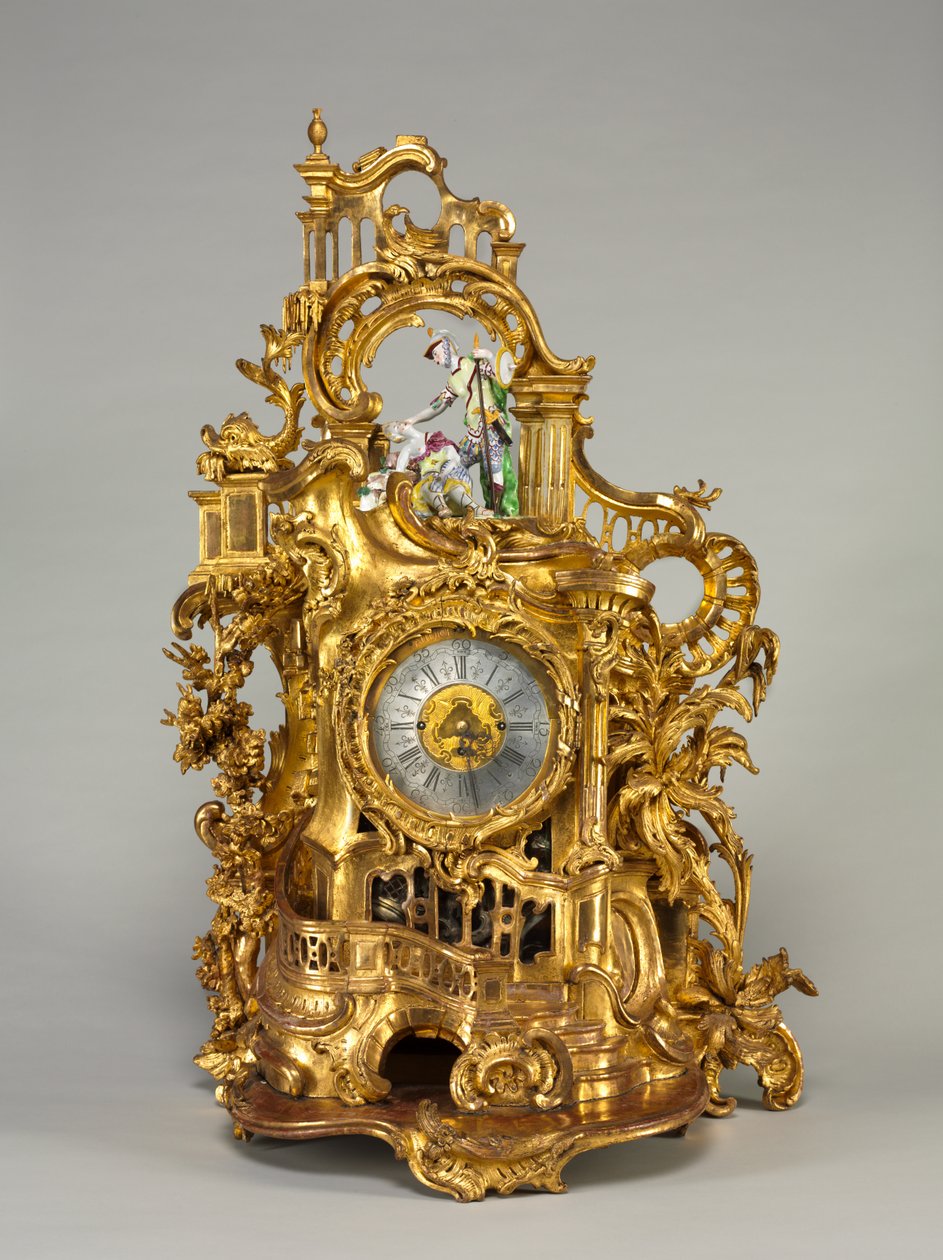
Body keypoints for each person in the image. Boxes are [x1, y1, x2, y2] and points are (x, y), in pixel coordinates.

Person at [397, 330, 519, 516]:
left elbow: (499, 375)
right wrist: (413, 419)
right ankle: (450, 501)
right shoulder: (452, 380)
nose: (436, 360)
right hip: (473, 432)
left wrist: (488, 355)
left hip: (490, 424)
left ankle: (496, 513)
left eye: (436, 354)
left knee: (494, 468)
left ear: (446, 346)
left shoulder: (473, 363)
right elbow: (437, 406)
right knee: (455, 463)